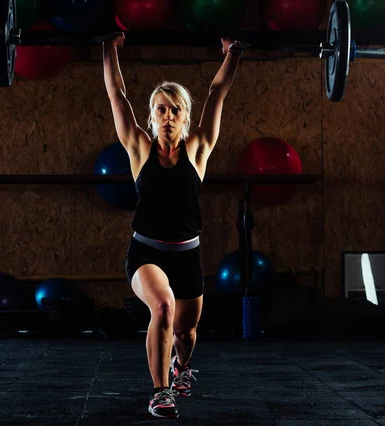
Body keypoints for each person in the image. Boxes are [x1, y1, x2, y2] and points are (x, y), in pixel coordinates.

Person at [103, 32, 242, 419]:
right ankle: (160, 392)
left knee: (186, 334)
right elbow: (117, 95)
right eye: (160, 110)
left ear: (184, 116)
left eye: (174, 111)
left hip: (187, 256)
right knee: (161, 307)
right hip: (146, 251)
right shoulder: (139, 148)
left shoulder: (198, 148)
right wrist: (107, 48)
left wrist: (233, 54)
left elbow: (217, 93)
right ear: (152, 116)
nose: (167, 117)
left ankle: (180, 367)